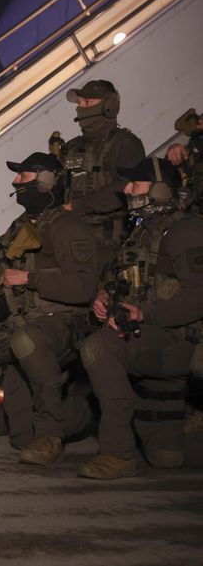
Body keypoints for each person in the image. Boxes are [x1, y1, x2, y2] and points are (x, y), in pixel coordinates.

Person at [80, 158, 203, 479]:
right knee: (164, 457)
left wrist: (145, 312)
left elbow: (198, 295)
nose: (127, 190)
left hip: (182, 342)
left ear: (162, 191)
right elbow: (124, 278)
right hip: (155, 340)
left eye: (136, 184)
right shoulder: (142, 233)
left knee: (99, 348)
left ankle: (118, 453)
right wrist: (105, 297)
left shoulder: (186, 232)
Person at [0, 152, 99, 466]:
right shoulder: (19, 227)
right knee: (20, 437)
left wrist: (33, 279)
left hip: (63, 322)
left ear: (46, 182)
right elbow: (6, 282)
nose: (16, 182)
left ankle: (57, 431)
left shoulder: (67, 226)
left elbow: (84, 287)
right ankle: (85, 412)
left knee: (26, 340)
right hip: (26, 322)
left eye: (23, 176)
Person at [60, 79, 145, 268]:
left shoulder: (125, 144)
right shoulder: (71, 148)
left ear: (109, 106)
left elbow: (124, 188)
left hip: (112, 247)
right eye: (79, 103)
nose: (80, 108)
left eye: (87, 102)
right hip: (74, 241)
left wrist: (77, 207)